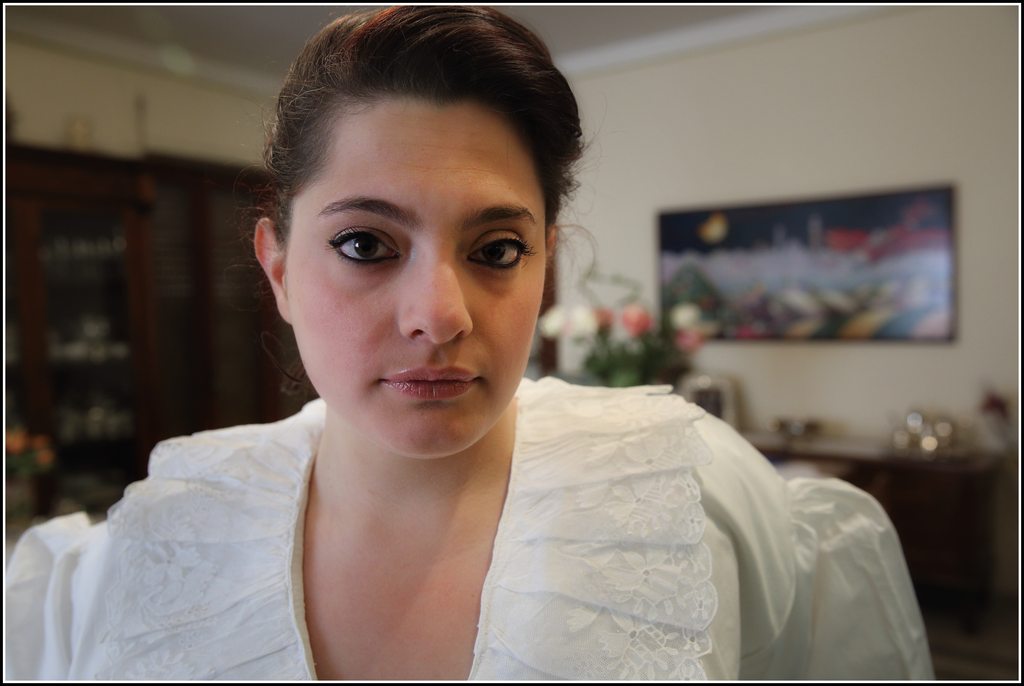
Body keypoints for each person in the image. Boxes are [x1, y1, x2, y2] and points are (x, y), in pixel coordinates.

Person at [4, 6, 933, 680]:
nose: (439, 315)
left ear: (545, 264)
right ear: (278, 267)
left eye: (496, 251)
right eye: (365, 245)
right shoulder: (147, 553)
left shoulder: (691, 492)